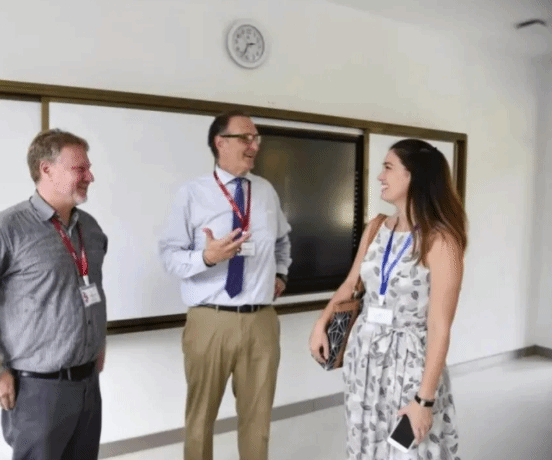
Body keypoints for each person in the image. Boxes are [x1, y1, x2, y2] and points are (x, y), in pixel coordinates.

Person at [0, 129, 108, 460]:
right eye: (80, 169)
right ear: (46, 169)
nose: (90, 177)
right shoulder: (7, 228)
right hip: (37, 390)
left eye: (88, 168)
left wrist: (98, 344)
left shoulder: (90, 228)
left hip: (88, 383)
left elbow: (93, 291)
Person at [310, 139, 466, 459]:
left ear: (413, 176)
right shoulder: (377, 227)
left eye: (388, 168)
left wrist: (424, 400)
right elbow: (350, 285)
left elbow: (439, 327)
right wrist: (321, 323)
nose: (380, 176)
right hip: (364, 358)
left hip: (410, 364)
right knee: (366, 444)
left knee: (407, 450)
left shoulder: (441, 241)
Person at [159, 110, 292, 460]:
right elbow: (170, 256)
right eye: (245, 138)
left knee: (258, 420)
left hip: (261, 320)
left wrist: (280, 274)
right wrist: (207, 257)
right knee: (200, 419)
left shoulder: (265, 191)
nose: (254, 146)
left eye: (256, 138)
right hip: (210, 319)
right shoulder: (192, 193)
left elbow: (282, 241)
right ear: (220, 142)